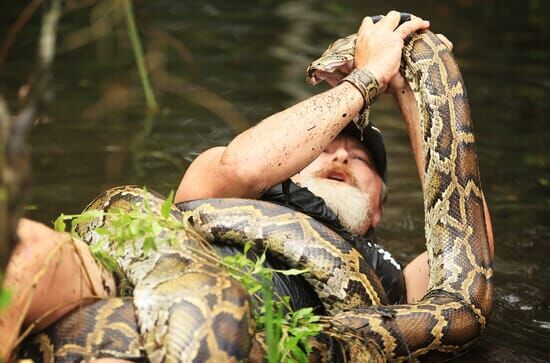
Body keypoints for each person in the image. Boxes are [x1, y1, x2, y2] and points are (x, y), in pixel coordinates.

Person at [0, 10, 493, 361]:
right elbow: (247, 162)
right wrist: (367, 78)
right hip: (147, 277)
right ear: (291, 172)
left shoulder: (390, 280)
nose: (341, 152)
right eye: (325, 145)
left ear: (380, 207)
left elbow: (469, 277)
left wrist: (410, 86)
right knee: (27, 252)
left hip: (272, 344)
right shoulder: (241, 190)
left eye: (363, 158)